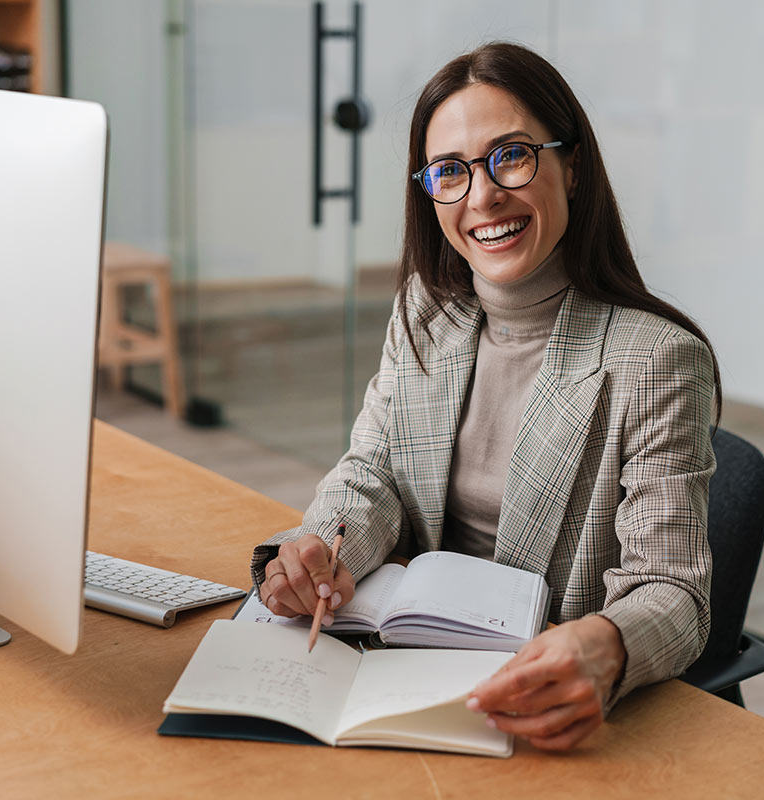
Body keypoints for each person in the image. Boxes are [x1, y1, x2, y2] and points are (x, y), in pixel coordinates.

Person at [250, 42, 719, 751]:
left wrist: (606, 646)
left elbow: (674, 590)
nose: (483, 195)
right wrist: (323, 547)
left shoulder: (655, 359)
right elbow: (371, 473)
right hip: (401, 683)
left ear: (572, 165)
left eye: (512, 156)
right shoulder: (424, 311)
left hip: (536, 713)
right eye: (450, 172)